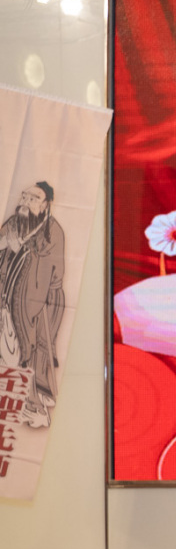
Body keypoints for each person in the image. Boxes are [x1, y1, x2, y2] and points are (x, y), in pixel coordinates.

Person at [0, 181, 65, 427]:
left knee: (32, 348)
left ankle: (35, 407)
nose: (26, 201)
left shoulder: (52, 230)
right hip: (9, 296)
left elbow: (49, 270)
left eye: (33, 198)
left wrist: (21, 250)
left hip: (41, 298)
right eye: (24, 196)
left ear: (45, 204)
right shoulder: (14, 222)